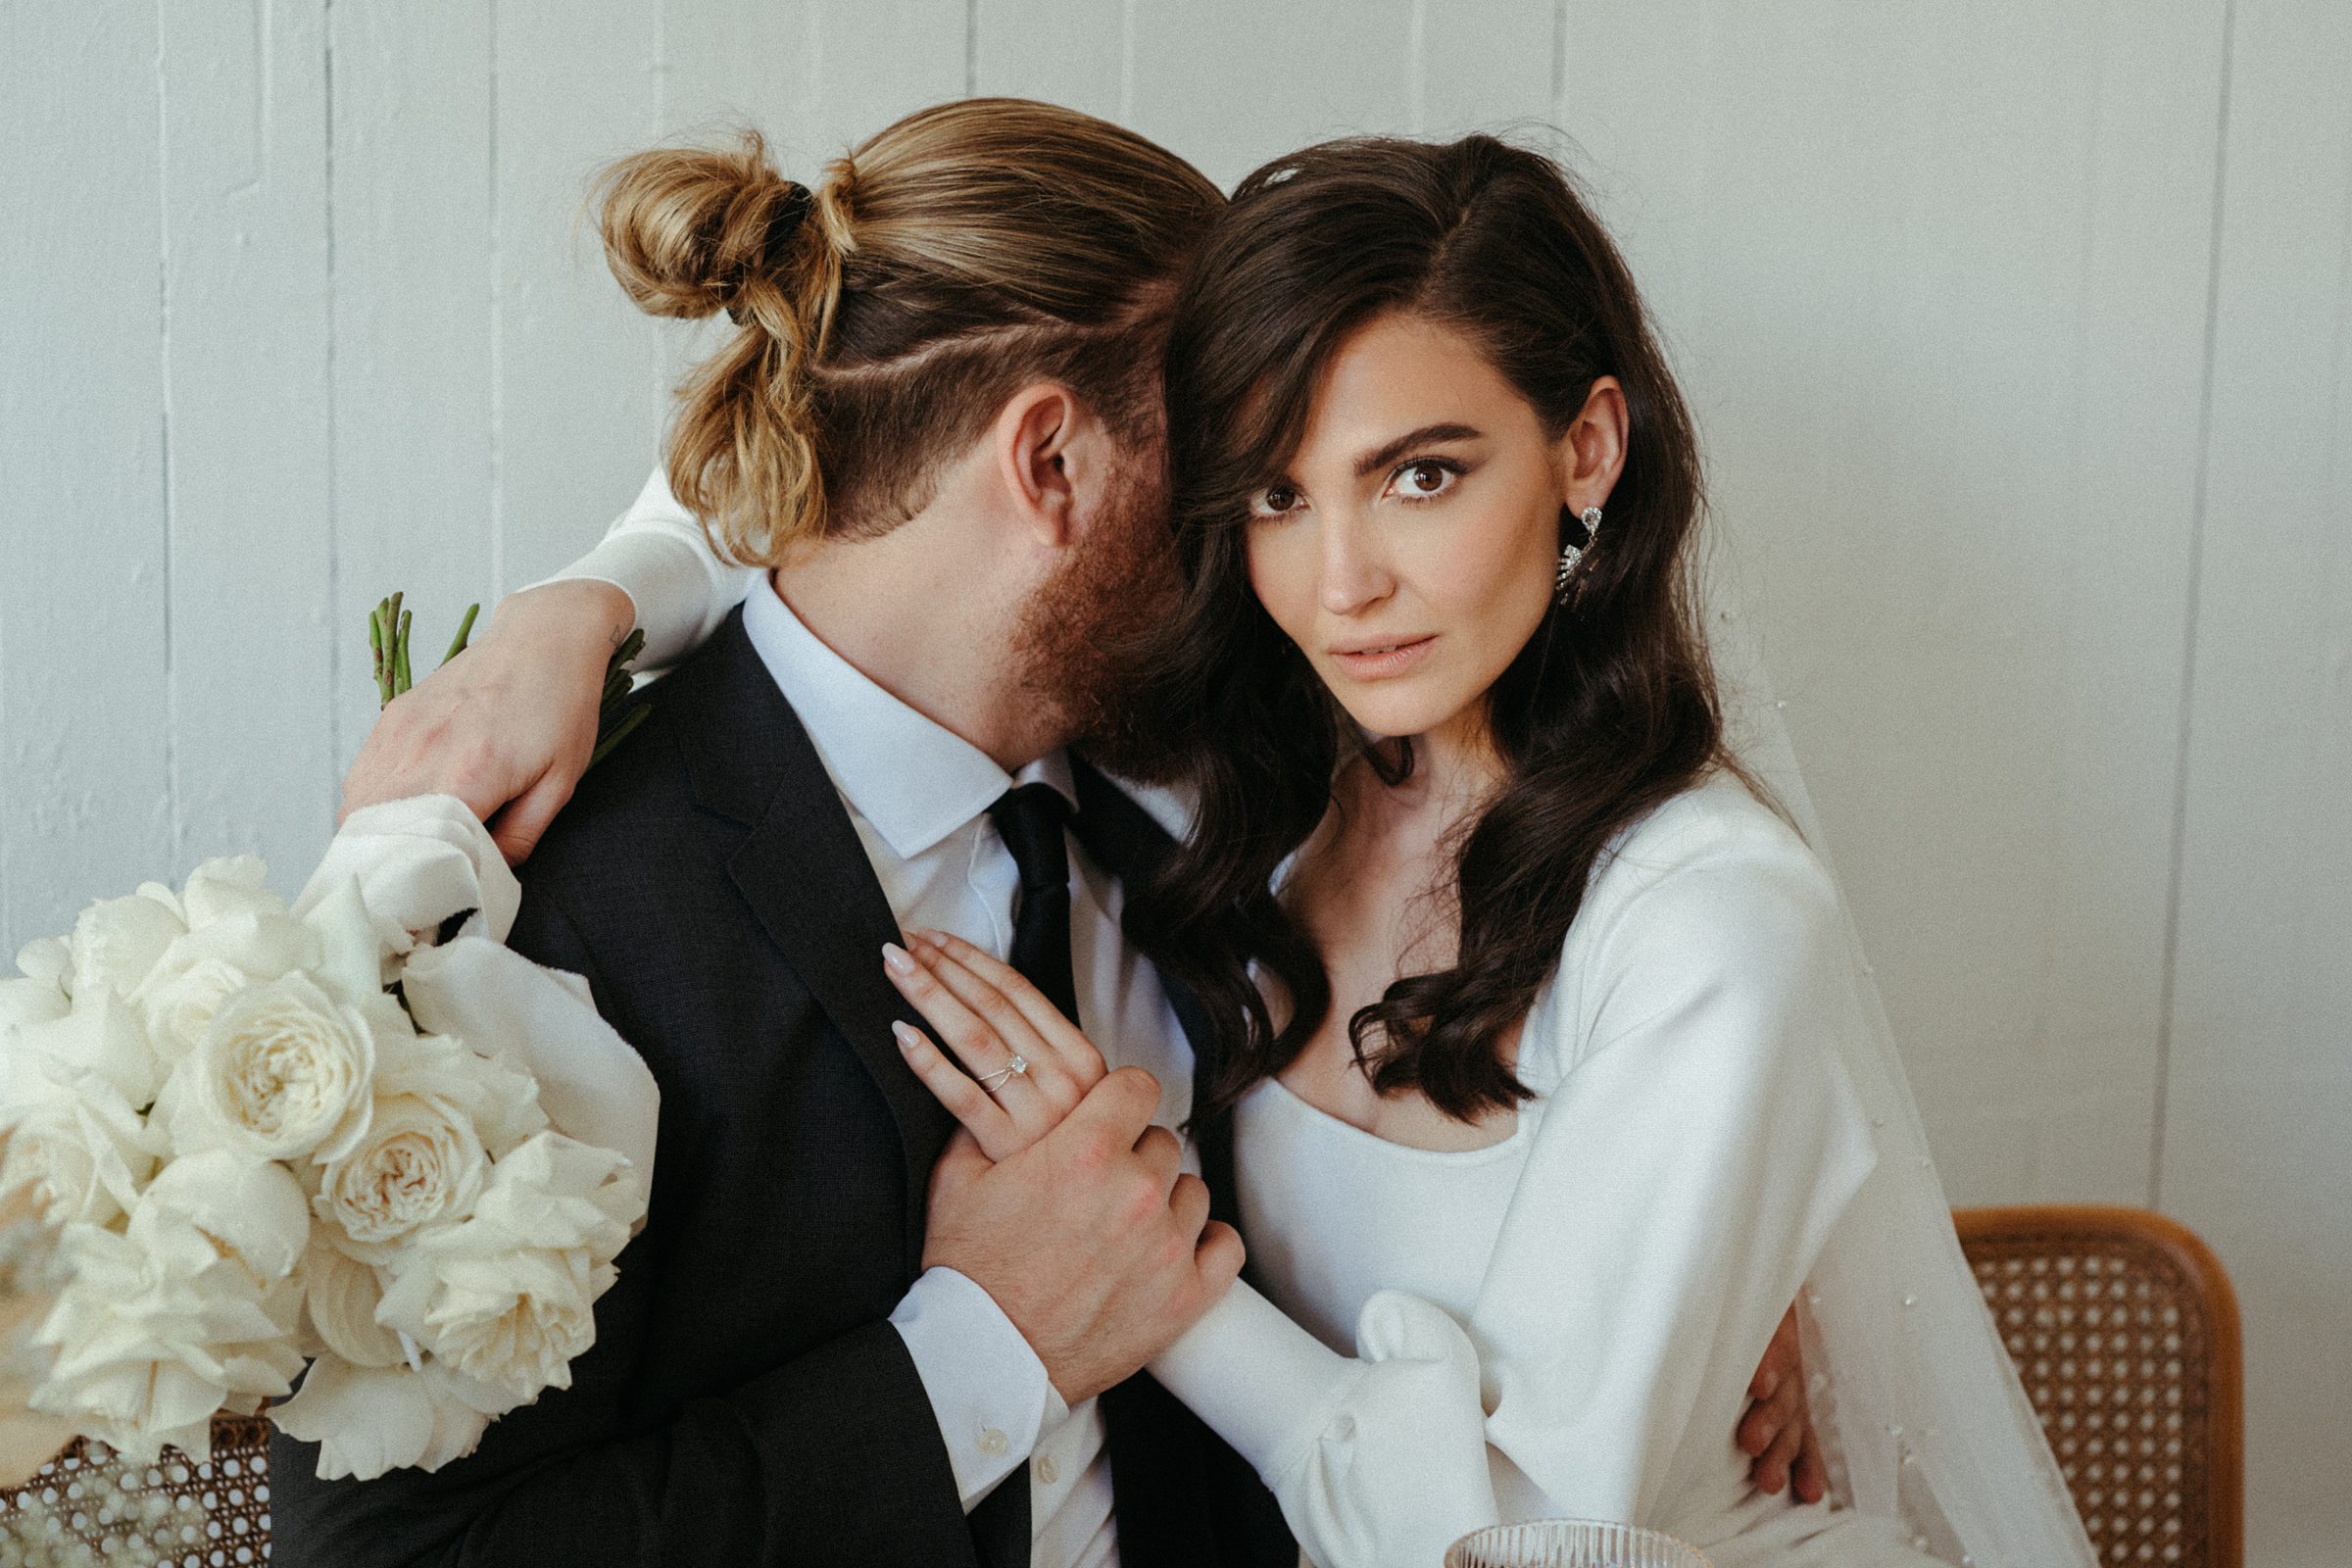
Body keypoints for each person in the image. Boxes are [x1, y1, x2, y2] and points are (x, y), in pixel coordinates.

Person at [321, 109, 1837, 1568]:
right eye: (1250, 475)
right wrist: (988, 1347)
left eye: (1382, 477)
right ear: (1052, 468)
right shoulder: (541, 919)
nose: (1316, 571)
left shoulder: (1219, 760)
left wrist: (1690, 1245)